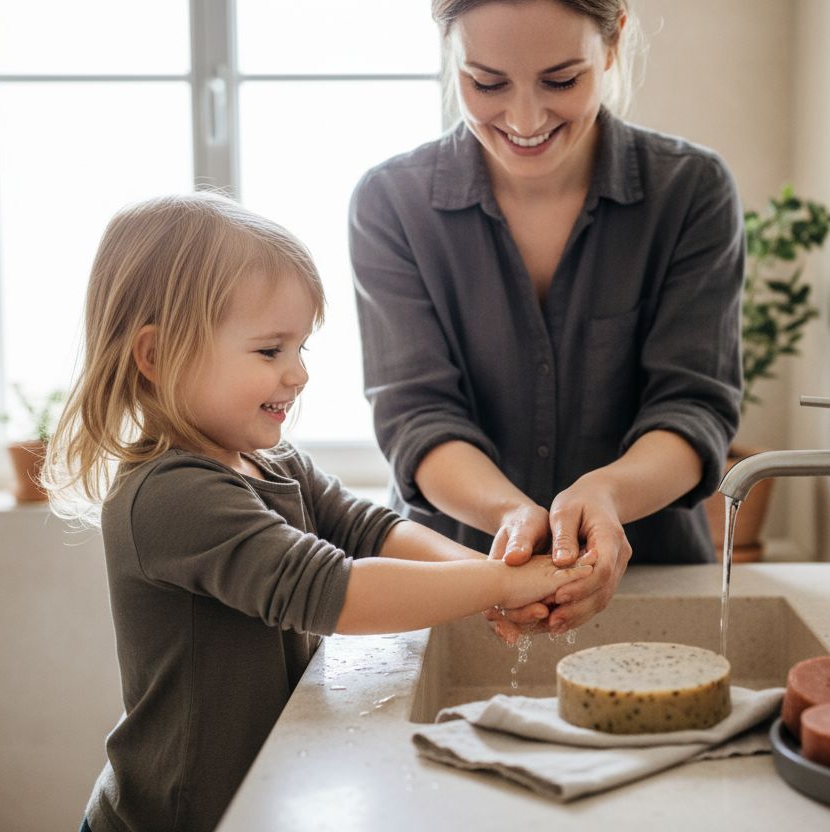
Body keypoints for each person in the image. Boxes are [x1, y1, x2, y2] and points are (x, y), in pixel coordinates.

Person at [43, 192, 594, 832]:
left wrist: (489, 575)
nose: (298, 374)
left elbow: (370, 529)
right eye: (269, 351)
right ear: (157, 356)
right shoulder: (170, 495)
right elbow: (333, 591)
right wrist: (501, 583)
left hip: (249, 804)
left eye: (301, 348)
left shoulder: (271, 463)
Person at [349, 0, 743, 640]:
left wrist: (607, 495)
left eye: (561, 80)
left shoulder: (691, 191)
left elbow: (693, 407)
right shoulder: (390, 203)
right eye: (487, 83)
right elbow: (417, 415)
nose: (524, 119)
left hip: (652, 582)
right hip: (455, 583)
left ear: (612, 45)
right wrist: (510, 516)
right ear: (449, 52)